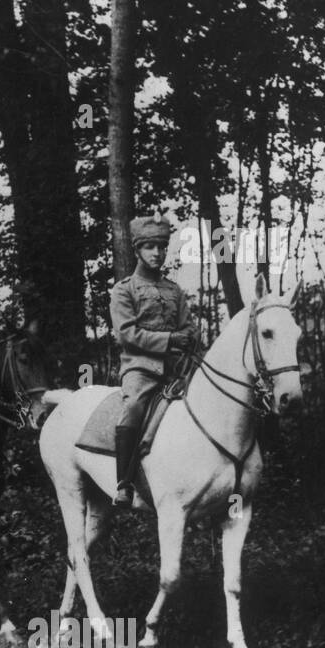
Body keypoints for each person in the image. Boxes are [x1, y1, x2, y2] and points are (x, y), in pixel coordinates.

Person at [109, 215, 198, 507]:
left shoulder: (174, 291)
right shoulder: (124, 290)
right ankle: (124, 482)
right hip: (141, 368)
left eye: (161, 246)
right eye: (149, 247)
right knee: (133, 406)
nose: (156, 253)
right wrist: (170, 340)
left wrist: (187, 338)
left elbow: (189, 326)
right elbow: (127, 334)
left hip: (177, 369)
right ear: (137, 250)